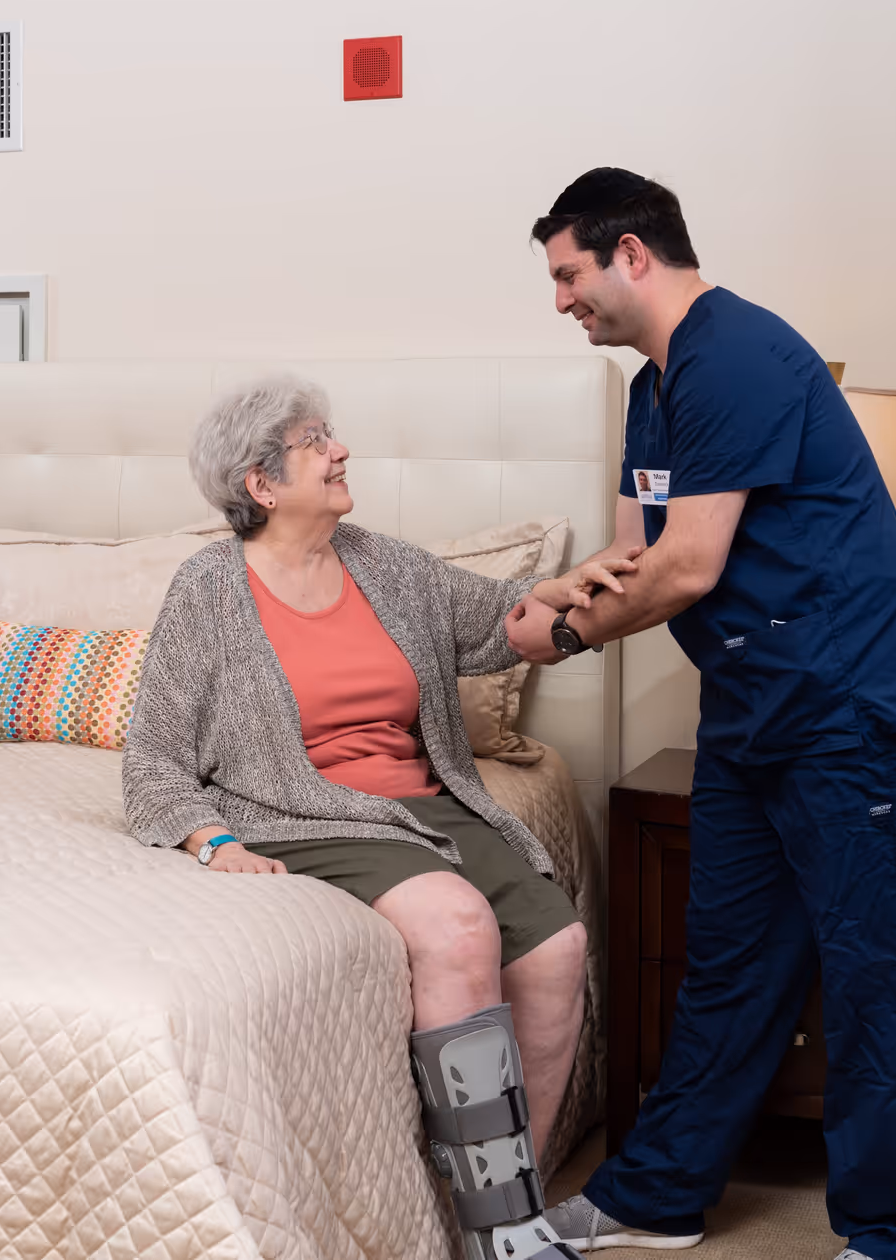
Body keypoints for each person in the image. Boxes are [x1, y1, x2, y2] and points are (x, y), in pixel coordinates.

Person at [511, 169, 896, 1260]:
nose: (561, 299)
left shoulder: (738, 356)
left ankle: (890, 1234)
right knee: (730, 961)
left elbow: (690, 568)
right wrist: (562, 592)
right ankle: (658, 1195)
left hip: (850, 703)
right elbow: (636, 554)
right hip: (755, 706)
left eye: (568, 274)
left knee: (873, 972)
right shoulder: (653, 388)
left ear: (631, 255)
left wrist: (563, 638)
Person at [122, 374, 630, 1260]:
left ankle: (514, 1198)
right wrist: (214, 840)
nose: (340, 449)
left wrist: (570, 596)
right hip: (303, 808)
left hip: (424, 803)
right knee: (460, 925)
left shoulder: (384, 564)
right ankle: (501, 1231)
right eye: (316, 440)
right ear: (262, 484)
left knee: (557, 947)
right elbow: (153, 756)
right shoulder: (209, 589)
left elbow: (494, 622)